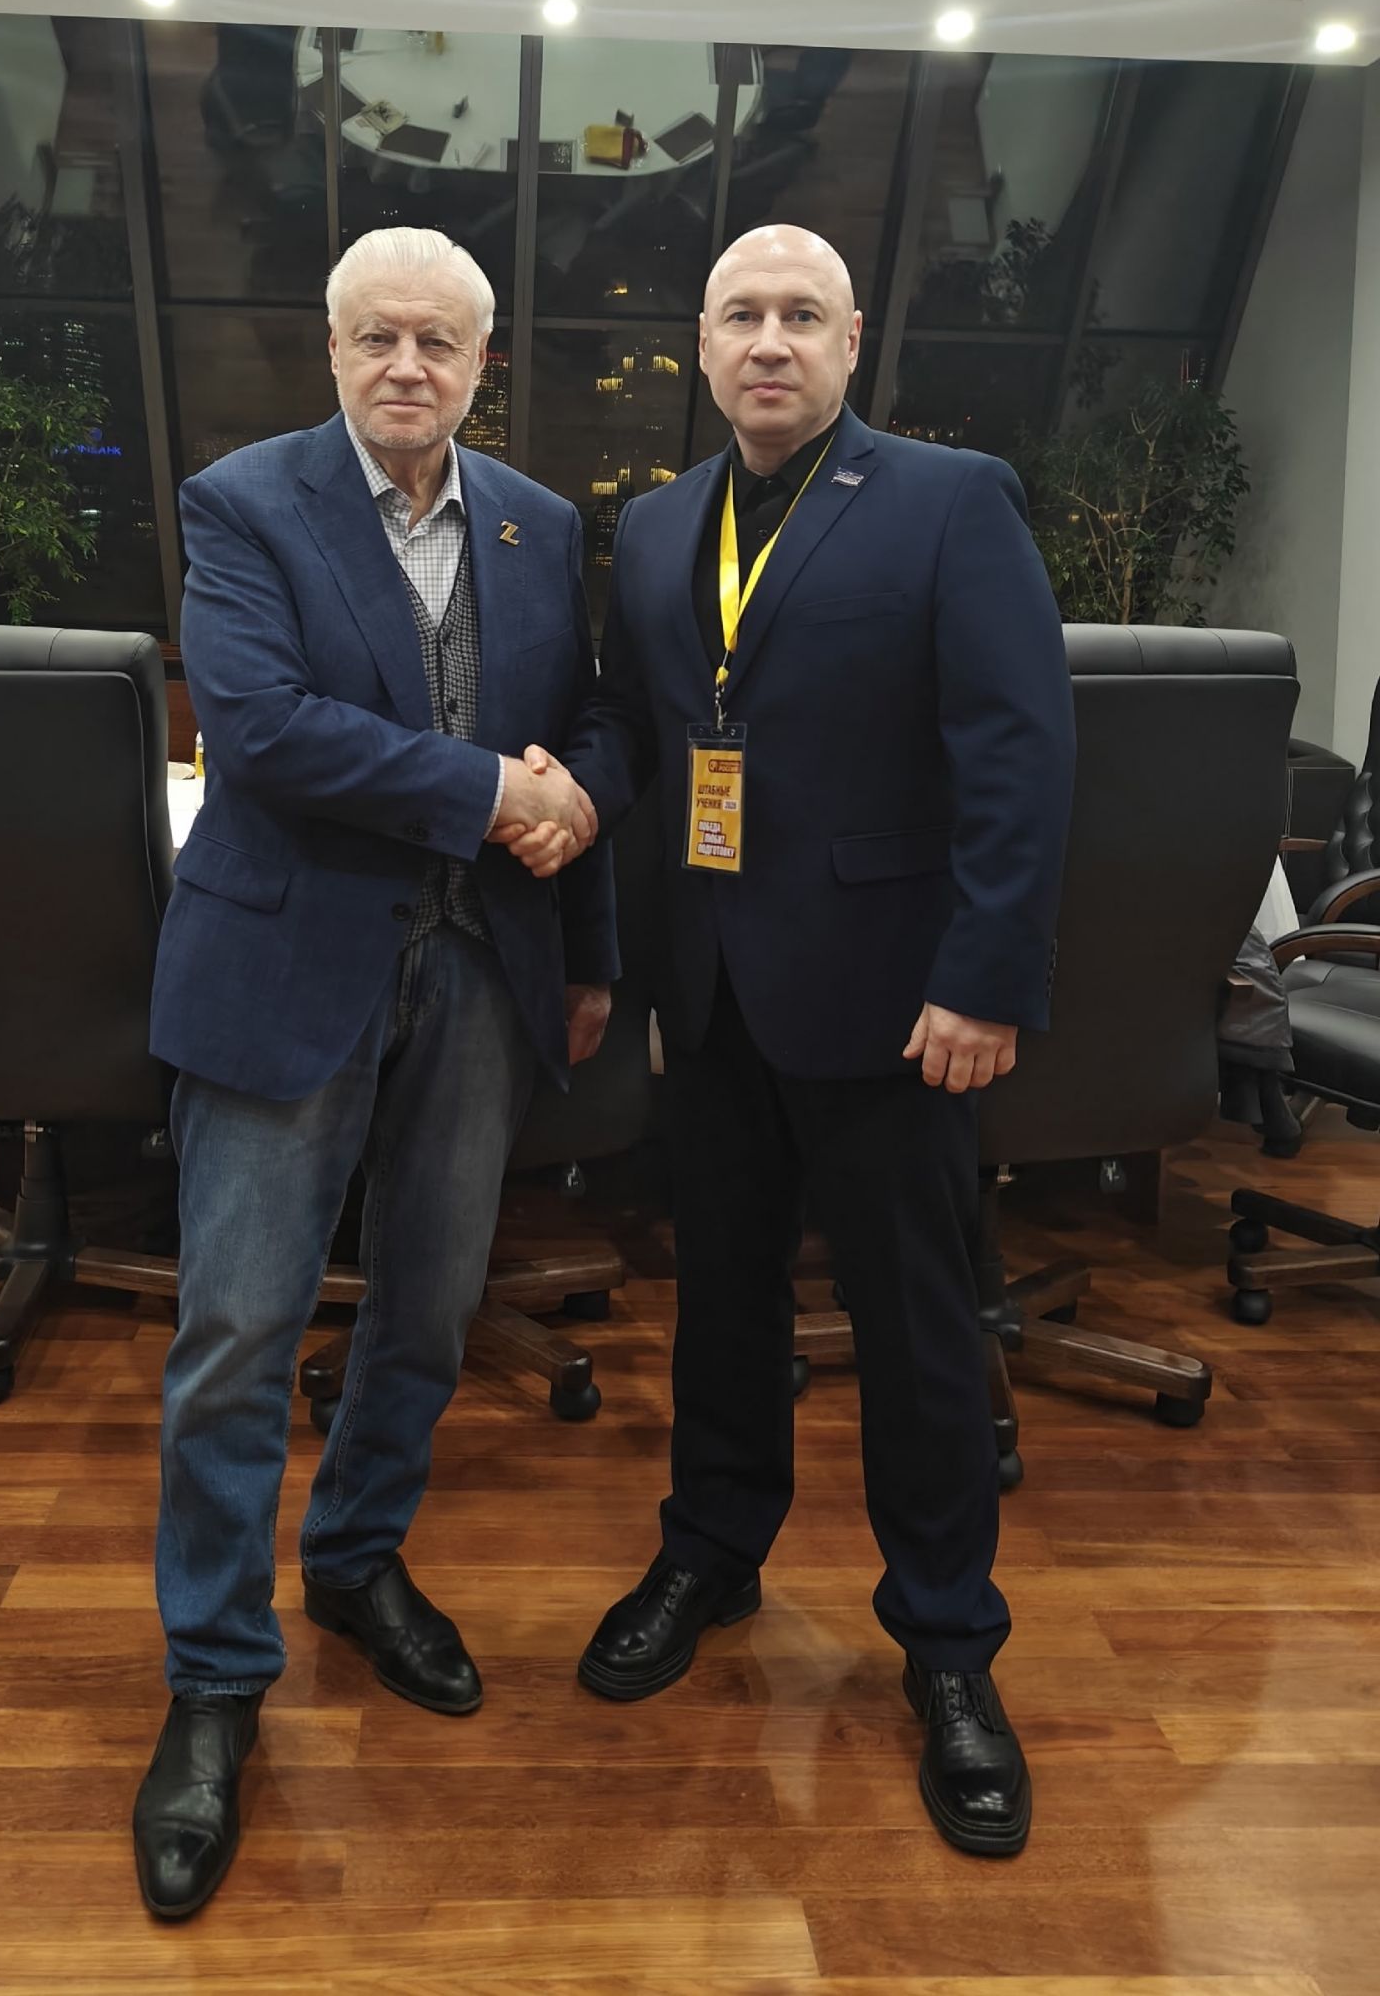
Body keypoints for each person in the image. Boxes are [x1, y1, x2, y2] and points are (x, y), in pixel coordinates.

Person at [520, 223, 1075, 1858]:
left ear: (851, 341)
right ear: (703, 345)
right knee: (722, 1301)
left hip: (898, 1001)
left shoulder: (951, 499)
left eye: (802, 315)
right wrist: (581, 846)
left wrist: (986, 979)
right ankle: (711, 1548)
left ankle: (950, 1643)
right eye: (742, 315)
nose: (770, 341)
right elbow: (643, 730)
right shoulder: (656, 523)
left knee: (916, 1328)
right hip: (712, 992)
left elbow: (1020, 750)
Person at [134, 226, 615, 1919]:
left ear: (484, 364)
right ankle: (214, 1675)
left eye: (439, 342)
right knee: (237, 1335)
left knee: (428, 1307)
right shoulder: (244, 503)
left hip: (483, 970)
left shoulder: (539, 523)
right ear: (330, 351)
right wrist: (496, 792)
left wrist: (589, 932)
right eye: (376, 338)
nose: (407, 365)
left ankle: (353, 1559)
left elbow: (587, 730)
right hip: (286, 965)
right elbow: (260, 729)